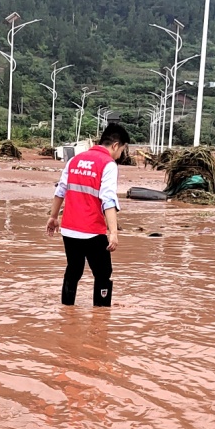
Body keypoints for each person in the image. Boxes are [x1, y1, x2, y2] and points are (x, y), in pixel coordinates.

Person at [46, 123, 131, 307]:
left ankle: (66, 311)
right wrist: (114, 232)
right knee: (103, 273)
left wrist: (53, 217)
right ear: (115, 145)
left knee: (74, 270)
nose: (120, 155)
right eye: (122, 150)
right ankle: (101, 317)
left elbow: (60, 190)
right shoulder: (108, 164)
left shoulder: (75, 160)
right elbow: (108, 199)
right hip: (92, 230)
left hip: (69, 229)